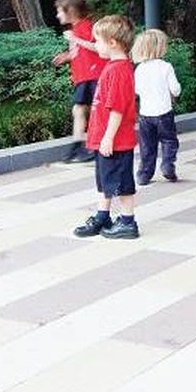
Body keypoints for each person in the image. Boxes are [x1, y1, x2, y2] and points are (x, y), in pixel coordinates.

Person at [73, 15, 140, 240]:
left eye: (98, 41)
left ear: (112, 42)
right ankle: (103, 215)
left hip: (116, 142)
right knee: (105, 180)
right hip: (106, 140)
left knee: (121, 182)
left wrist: (108, 137)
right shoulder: (113, 67)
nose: (95, 45)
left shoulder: (119, 70)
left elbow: (117, 108)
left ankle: (128, 222)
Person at [51, 0, 105, 163]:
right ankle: (79, 145)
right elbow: (80, 52)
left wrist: (75, 39)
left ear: (71, 11)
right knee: (79, 110)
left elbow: (98, 48)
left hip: (94, 75)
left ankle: (89, 145)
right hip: (83, 77)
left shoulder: (86, 27)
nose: (58, 15)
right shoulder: (75, 30)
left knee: (93, 110)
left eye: (60, 11)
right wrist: (66, 57)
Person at [131, 29, 181, 185]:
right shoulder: (165, 66)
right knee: (169, 141)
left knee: (147, 145)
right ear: (160, 47)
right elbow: (175, 89)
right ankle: (167, 165)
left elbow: (136, 90)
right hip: (164, 113)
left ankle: (144, 174)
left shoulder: (139, 68)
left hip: (145, 114)